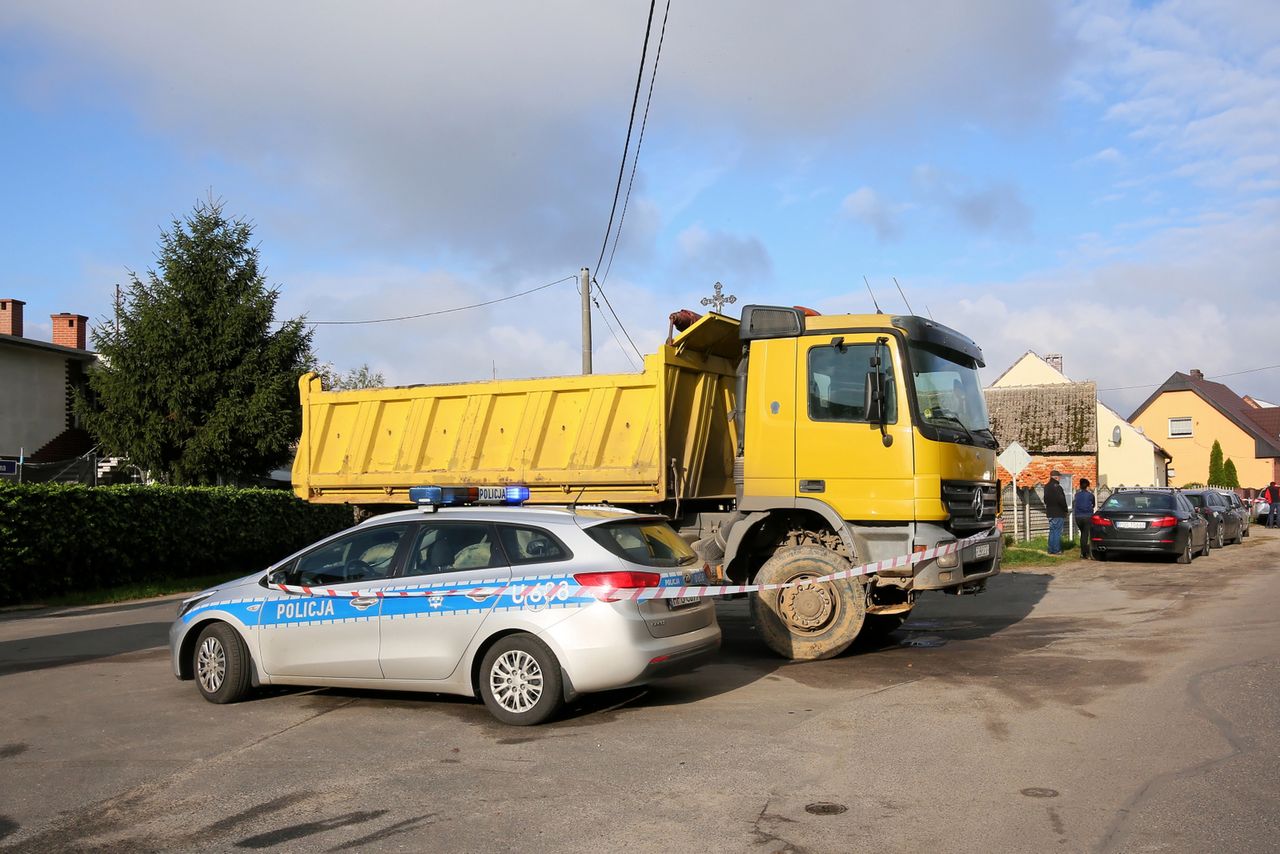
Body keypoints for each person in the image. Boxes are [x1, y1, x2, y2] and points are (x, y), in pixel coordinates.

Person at [1044, 469, 1069, 554]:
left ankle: (1051, 549)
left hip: (1050, 512)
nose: (1060, 479)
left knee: (1052, 531)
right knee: (1057, 531)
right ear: (1056, 477)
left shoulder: (1046, 486)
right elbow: (1061, 500)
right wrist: (1065, 509)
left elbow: (1045, 500)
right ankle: (1056, 550)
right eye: (1059, 477)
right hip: (1058, 512)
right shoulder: (1058, 487)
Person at [1073, 478, 1096, 558]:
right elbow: (1093, 505)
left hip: (1078, 517)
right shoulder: (1090, 495)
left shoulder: (1076, 495)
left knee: (1083, 534)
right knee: (1085, 535)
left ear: (1080, 486)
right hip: (1087, 517)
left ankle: (1083, 552)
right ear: (1088, 486)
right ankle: (1084, 553)